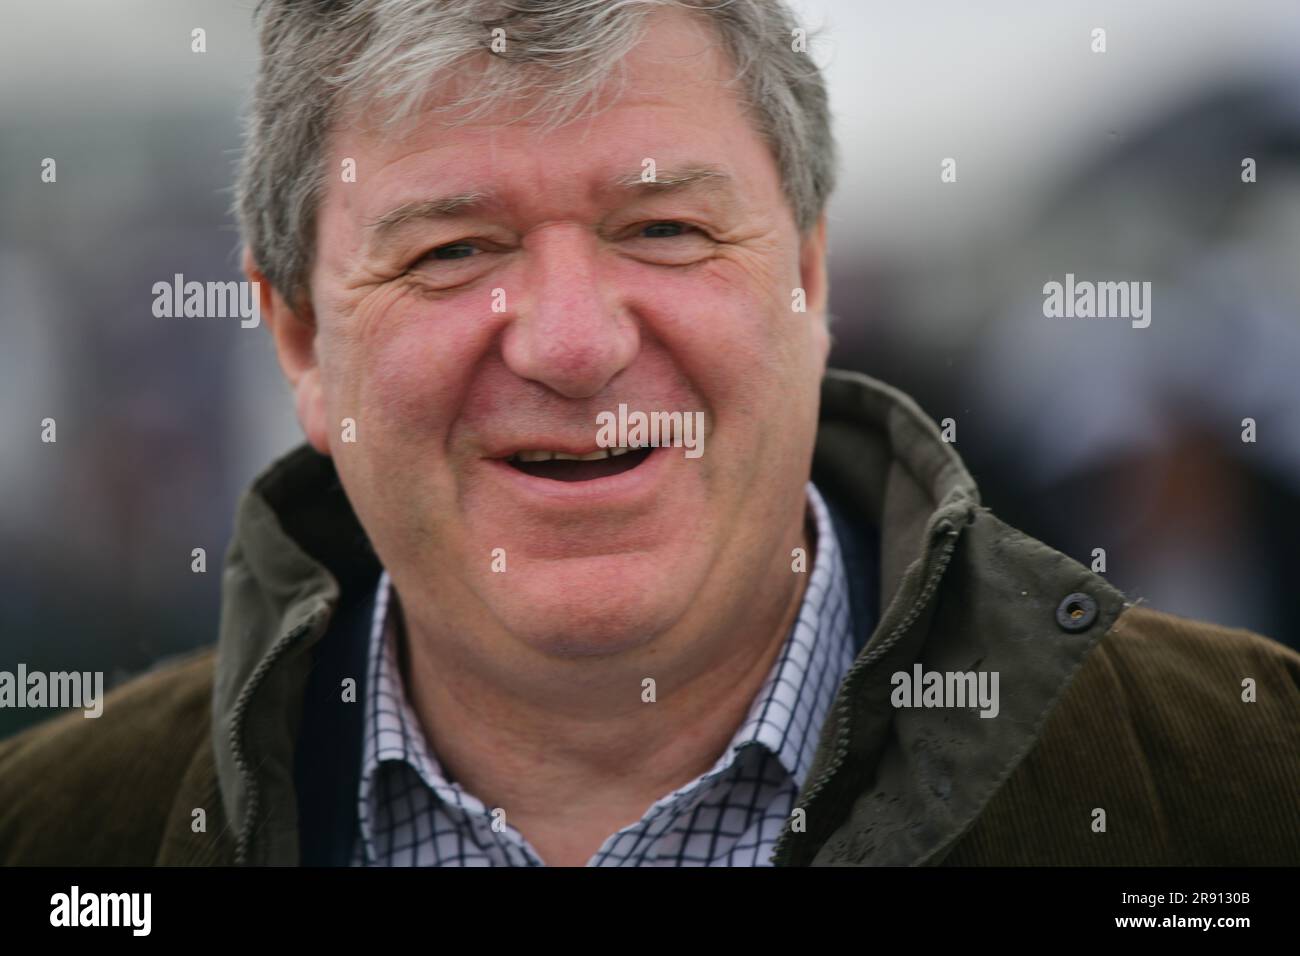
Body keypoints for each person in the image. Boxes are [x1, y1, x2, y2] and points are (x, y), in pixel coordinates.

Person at [1, 0, 1296, 867]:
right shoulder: (61, 837)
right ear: (300, 343)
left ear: (809, 280)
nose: (571, 343)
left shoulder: (1245, 784)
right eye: (454, 251)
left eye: (664, 230)